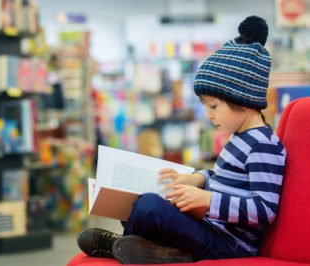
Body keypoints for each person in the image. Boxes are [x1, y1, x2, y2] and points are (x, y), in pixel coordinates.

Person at [76, 15, 287, 264]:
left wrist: (208, 200)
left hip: (229, 244)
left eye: (214, 106)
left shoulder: (263, 146)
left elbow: (264, 210)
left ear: (243, 100)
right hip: (210, 227)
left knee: (150, 208)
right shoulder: (240, 138)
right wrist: (197, 178)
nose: (209, 115)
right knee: (138, 202)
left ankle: (120, 246)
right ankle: (156, 250)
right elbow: (225, 181)